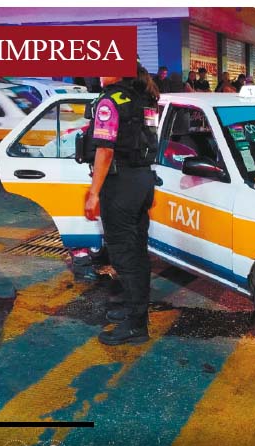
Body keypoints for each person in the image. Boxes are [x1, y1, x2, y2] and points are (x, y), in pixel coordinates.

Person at [82, 63, 159, 346]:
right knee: (137, 251)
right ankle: (134, 310)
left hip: (121, 184)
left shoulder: (110, 101)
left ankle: (136, 325)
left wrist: (93, 194)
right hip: (142, 180)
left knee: (124, 255)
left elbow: (105, 150)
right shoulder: (144, 97)